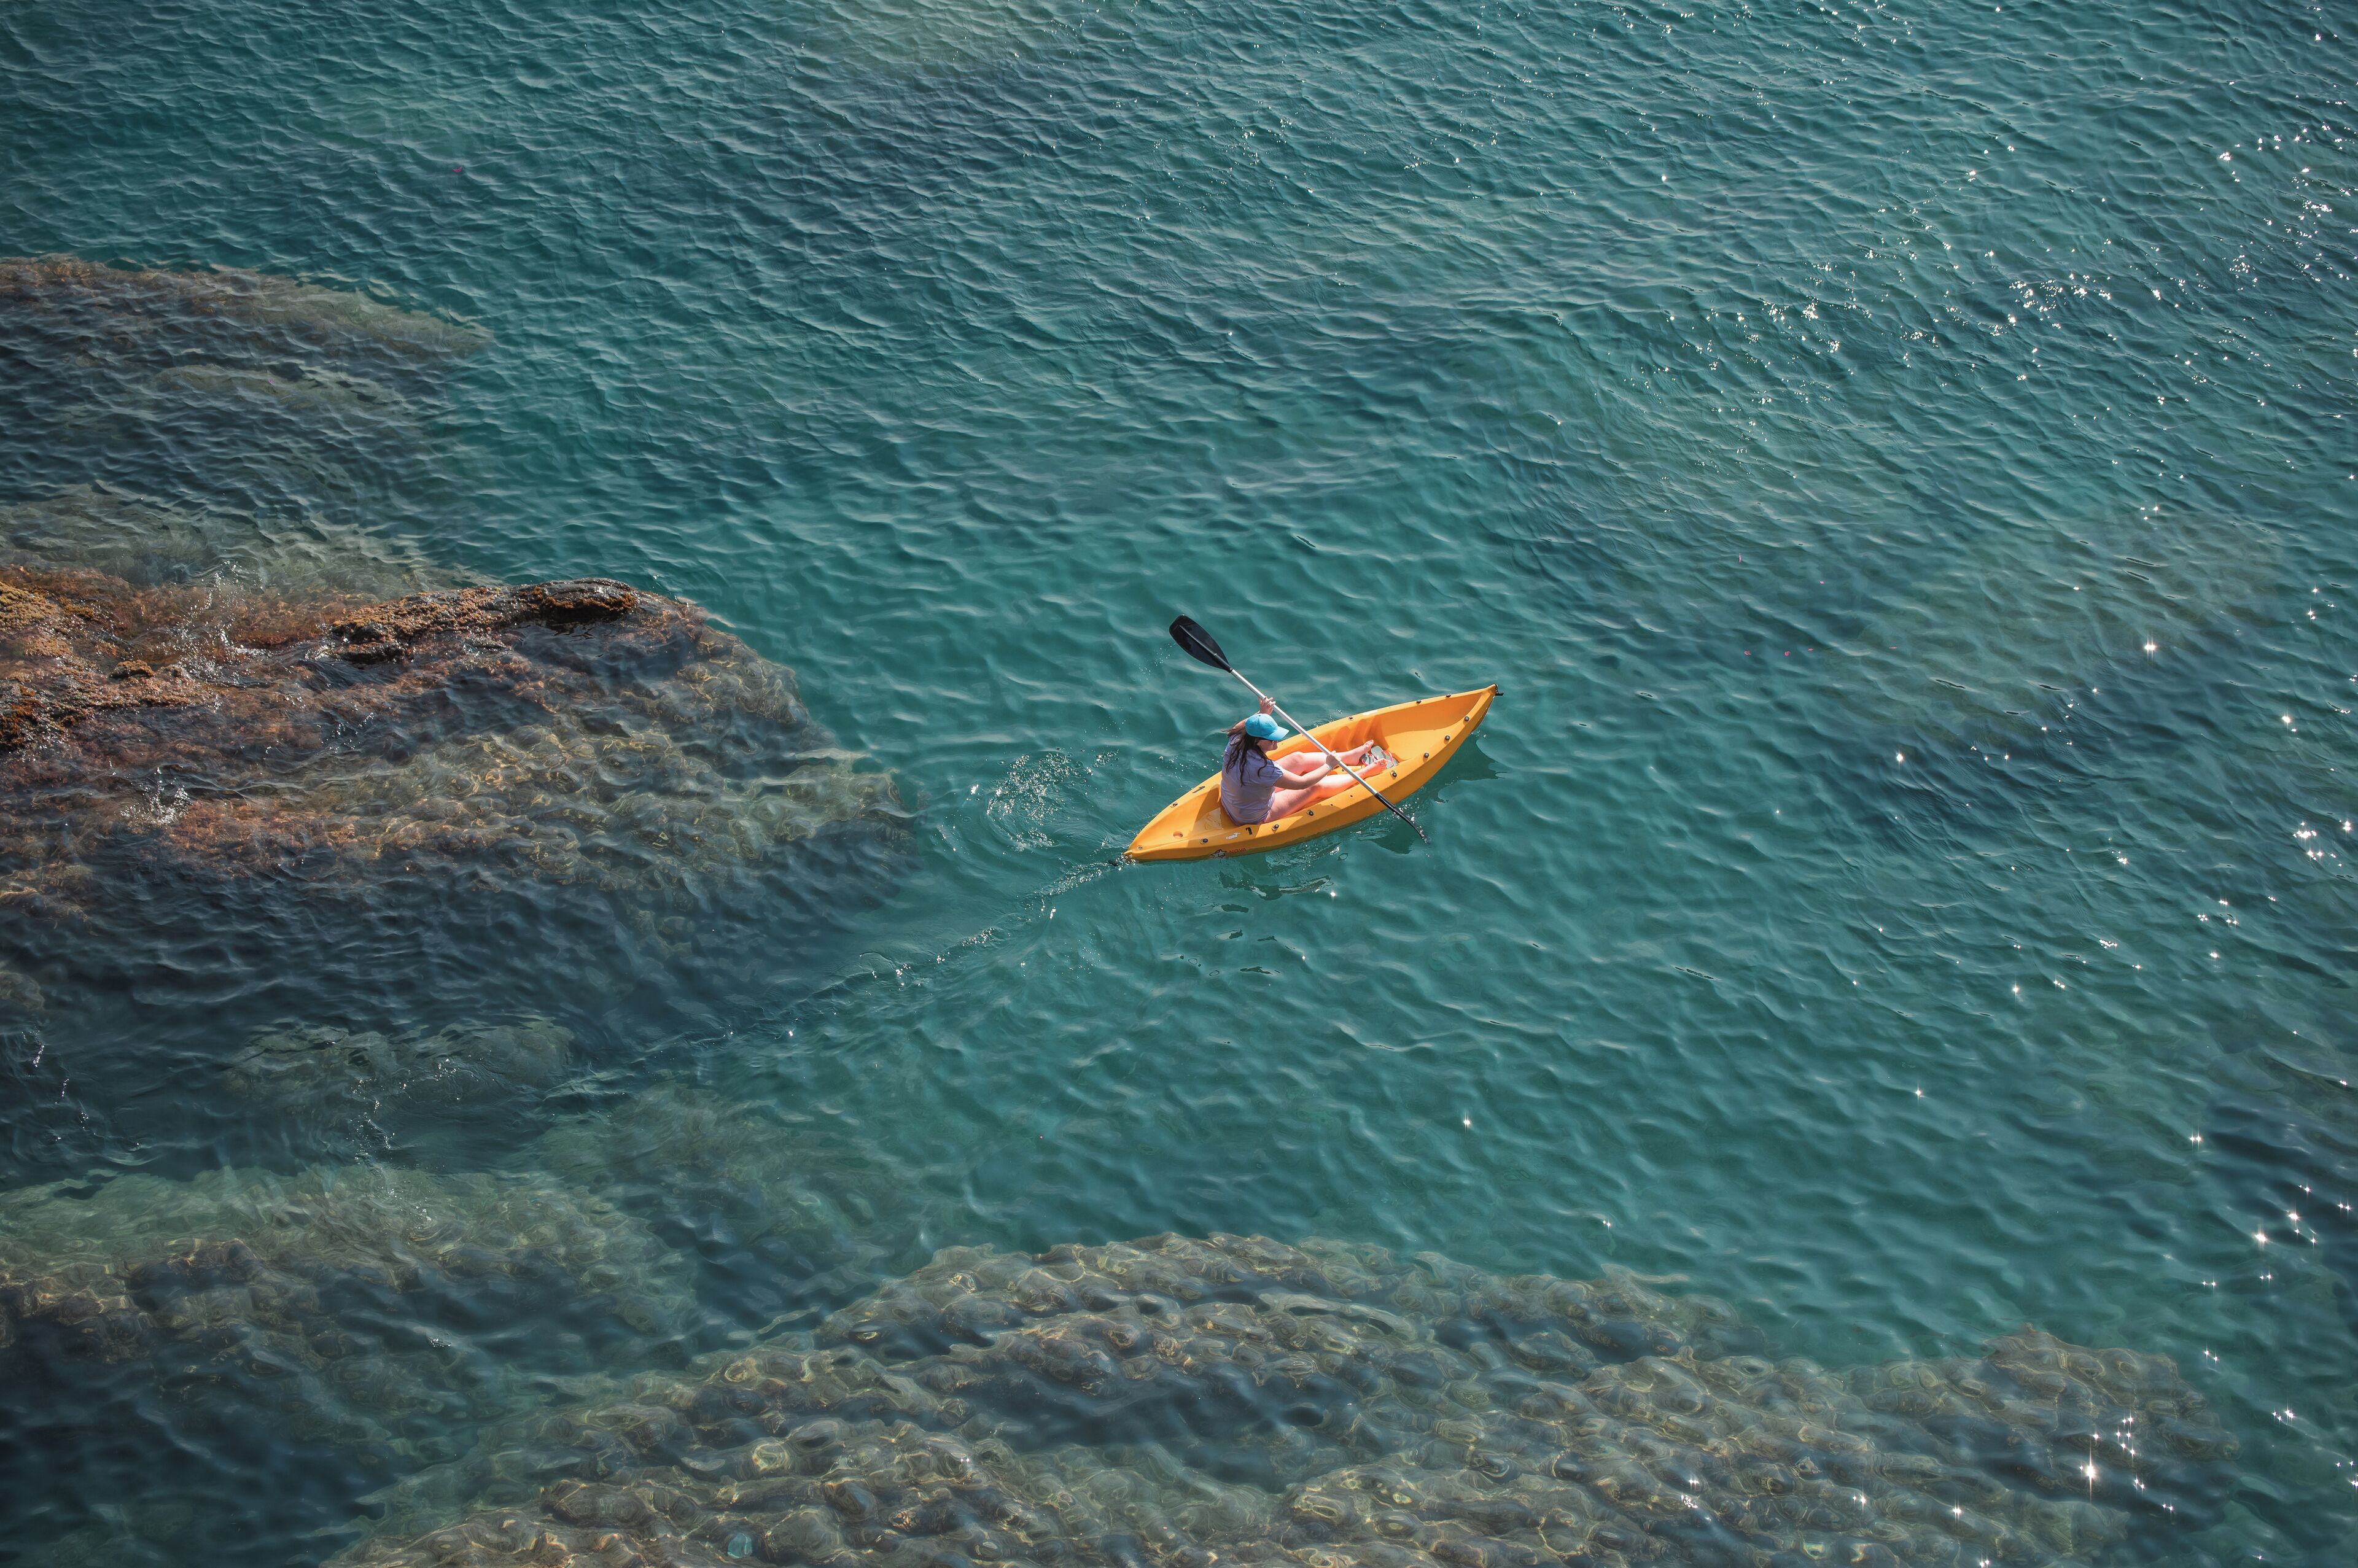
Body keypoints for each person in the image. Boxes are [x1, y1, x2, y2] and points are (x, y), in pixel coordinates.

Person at [1220, 698, 1383, 825]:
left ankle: (1349, 757)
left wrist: (1262, 714)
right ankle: (1363, 773)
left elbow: (1250, 724)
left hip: (1233, 800)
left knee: (1297, 758)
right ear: (1257, 742)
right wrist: (1329, 765)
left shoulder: (1237, 737)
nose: (1276, 742)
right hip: (1251, 817)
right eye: (1271, 739)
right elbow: (1303, 783)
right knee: (1315, 786)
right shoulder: (1264, 769)